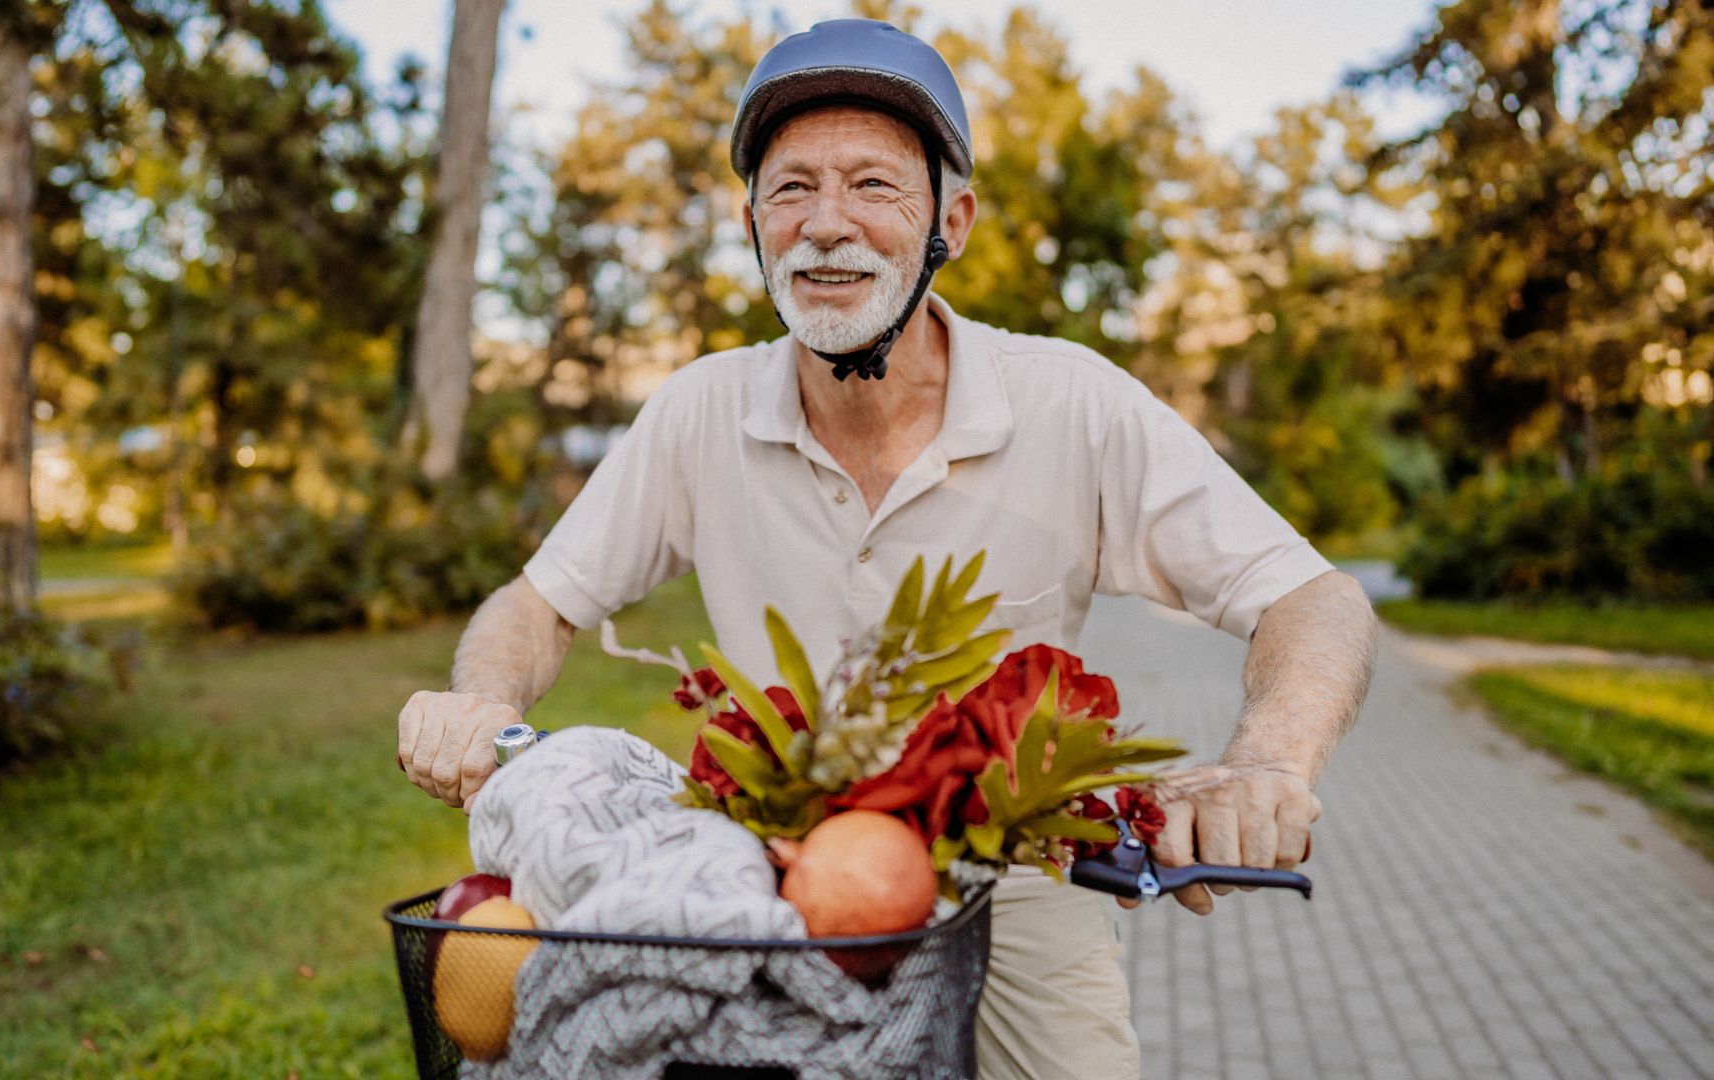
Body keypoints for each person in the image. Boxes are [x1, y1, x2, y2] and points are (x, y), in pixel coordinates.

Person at [396, 18, 1378, 1079]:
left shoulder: (1071, 399)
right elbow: (537, 604)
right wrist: (483, 702)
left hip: (1014, 879)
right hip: (755, 870)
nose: (828, 225)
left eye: (873, 185)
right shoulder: (698, 411)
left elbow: (1314, 599)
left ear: (948, 219)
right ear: (752, 224)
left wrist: (1266, 764)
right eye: (792, 189)